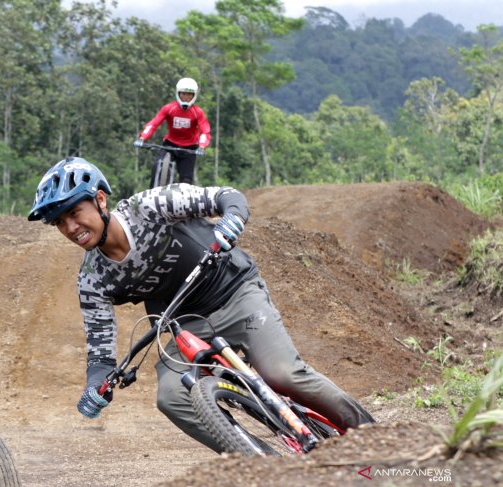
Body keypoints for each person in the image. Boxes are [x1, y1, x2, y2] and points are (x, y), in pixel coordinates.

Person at [27, 157, 375, 453]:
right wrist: (95, 386)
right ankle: (259, 461)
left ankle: (378, 439)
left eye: (75, 213)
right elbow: (100, 355)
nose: (71, 228)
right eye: (59, 222)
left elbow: (225, 197)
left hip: (235, 293)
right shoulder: (92, 279)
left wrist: (232, 218)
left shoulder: (148, 207)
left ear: (100, 200)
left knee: (282, 373)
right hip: (183, 326)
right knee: (171, 397)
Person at [134, 77, 211, 187]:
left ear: (194, 95)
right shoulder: (169, 108)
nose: (186, 97)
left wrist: (202, 146)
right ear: (178, 93)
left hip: (189, 148)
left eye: (189, 94)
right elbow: (154, 123)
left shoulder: (197, 112)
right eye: (183, 94)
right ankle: (152, 193)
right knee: (157, 167)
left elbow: (205, 131)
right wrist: (142, 138)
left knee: (186, 181)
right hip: (170, 144)